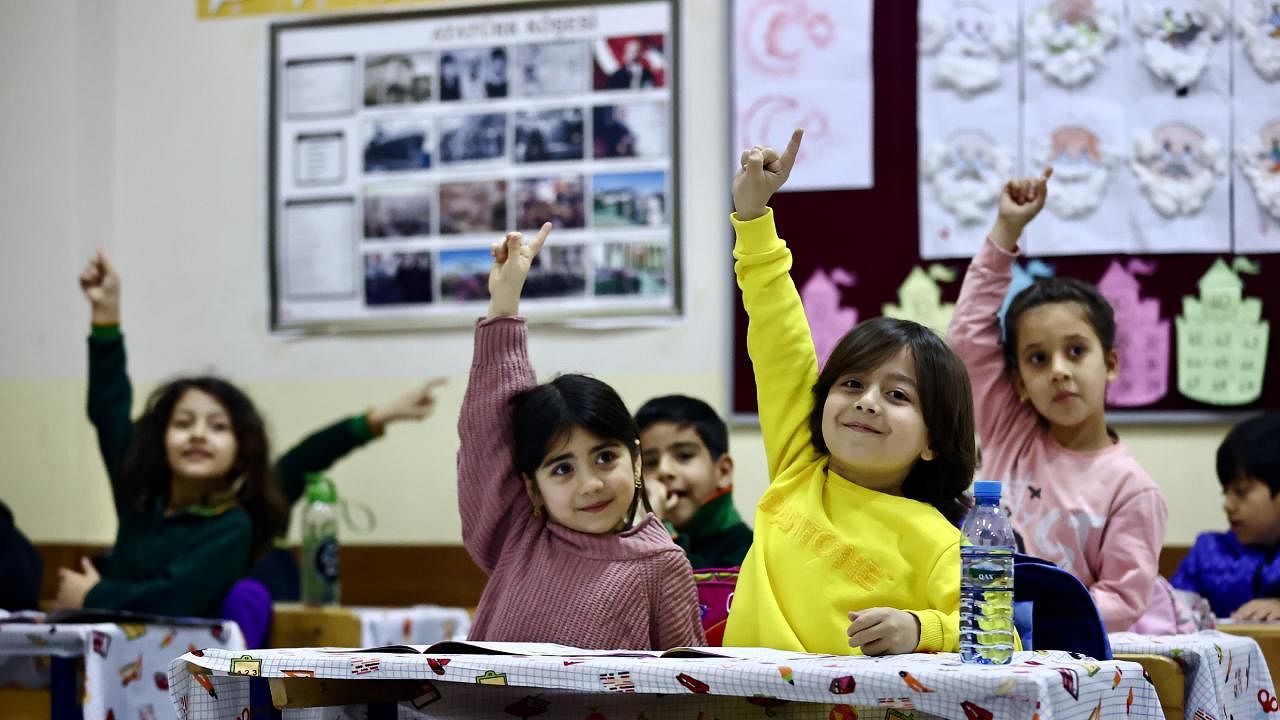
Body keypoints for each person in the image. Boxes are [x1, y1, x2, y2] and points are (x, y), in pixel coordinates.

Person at [60, 251, 443, 614]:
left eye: (217, 426)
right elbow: (108, 410)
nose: (197, 434)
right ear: (159, 441)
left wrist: (95, 593)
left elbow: (173, 597)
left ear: (241, 451)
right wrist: (105, 312)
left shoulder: (233, 523)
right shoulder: (139, 496)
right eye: (182, 423)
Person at [724, 129, 978, 656]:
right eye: (853, 383)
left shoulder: (938, 541)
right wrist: (752, 219)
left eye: (899, 396)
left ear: (933, 441)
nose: (867, 401)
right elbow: (780, 338)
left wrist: (919, 628)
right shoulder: (800, 466)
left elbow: (1003, 636)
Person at [458, 223, 704, 650]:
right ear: (532, 489)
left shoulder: (661, 564)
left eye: (605, 458)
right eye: (563, 468)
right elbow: (488, 434)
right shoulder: (519, 536)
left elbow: (689, 688)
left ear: (637, 461)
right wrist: (504, 306)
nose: (590, 483)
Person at [948, 169, 1173, 633]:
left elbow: (1123, 600)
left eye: (1076, 351)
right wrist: (1006, 230)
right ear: (1020, 382)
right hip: (991, 639)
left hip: (1066, 657)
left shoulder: (1133, 490)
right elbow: (968, 336)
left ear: (1110, 363)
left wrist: (1027, 618)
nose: (1059, 370)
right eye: (1037, 358)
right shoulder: (1011, 429)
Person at [1172, 413, 1280, 620]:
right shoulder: (1206, 554)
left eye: (1241, 492)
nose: (1227, 505)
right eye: (1225, 492)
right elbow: (1170, 610)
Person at [636, 395, 753, 569]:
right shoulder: (630, 539)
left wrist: (654, 533)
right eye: (651, 462)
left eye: (684, 455)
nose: (664, 470)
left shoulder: (751, 552)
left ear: (723, 471)